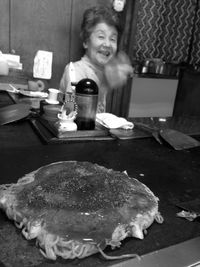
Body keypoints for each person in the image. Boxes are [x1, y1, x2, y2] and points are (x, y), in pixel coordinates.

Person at [59, 5, 133, 113]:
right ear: (85, 41)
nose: (107, 44)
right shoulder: (75, 70)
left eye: (113, 39)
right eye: (101, 36)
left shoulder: (104, 73)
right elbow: (75, 114)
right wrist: (105, 85)